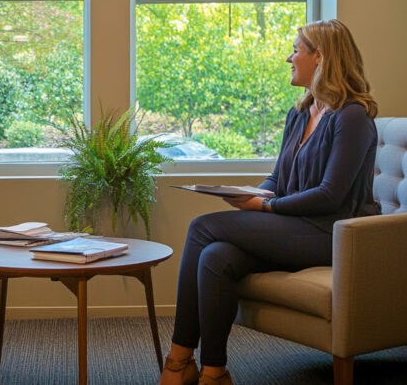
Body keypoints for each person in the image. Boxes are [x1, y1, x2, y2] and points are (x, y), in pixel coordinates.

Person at [158, 19, 380, 385]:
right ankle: (214, 371)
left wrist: (265, 208)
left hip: (333, 233)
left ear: (320, 57)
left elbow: (330, 195)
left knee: (201, 227)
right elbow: (278, 180)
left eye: (296, 49)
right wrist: (254, 193)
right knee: (216, 257)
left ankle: (178, 360)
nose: (288, 57)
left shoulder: (352, 117)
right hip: (293, 229)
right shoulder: (300, 114)